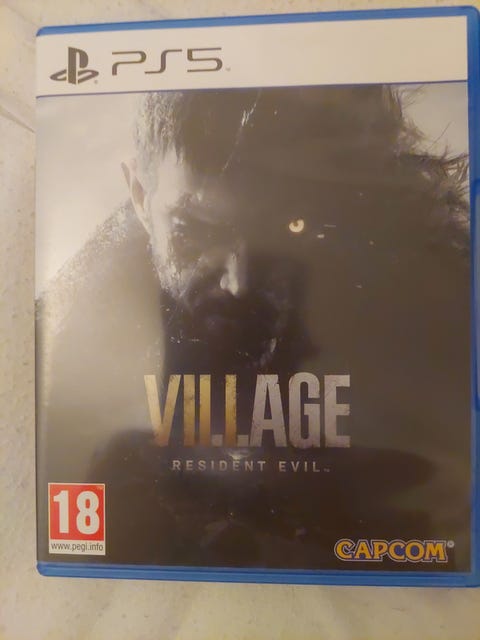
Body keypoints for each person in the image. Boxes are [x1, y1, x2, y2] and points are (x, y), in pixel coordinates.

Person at [37, 85, 471, 569]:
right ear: (140, 196)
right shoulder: (72, 352)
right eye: (193, 229)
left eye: (288, 228)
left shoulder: (419, 302)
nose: (238, 282)